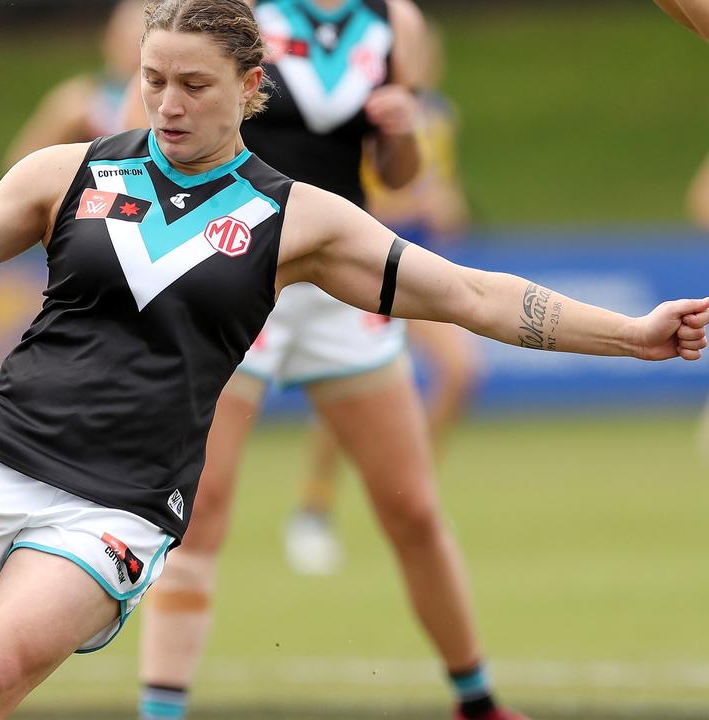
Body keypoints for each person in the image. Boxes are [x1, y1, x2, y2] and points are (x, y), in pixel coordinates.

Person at [0, 1, 708, 716]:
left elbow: (472, 295)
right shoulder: (65, 173)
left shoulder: (297, 218)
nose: (166, 104)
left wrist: (628, 335)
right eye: (151, 81)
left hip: (115, 505)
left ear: (249, 88)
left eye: (192, 85)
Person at [122, 3, 508, 720]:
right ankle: (161, 711)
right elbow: (142, 133)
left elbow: (399, 174)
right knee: (200, 515)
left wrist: (401, 132)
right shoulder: (234, 12)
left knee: (413, 508)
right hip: (235, 266)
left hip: (339, 279)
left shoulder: (396, 21)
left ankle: (477, 701)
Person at [284, 20, 480, 577]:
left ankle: (408, 492)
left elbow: (440, 185)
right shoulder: (359, 102)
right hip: (369, 257)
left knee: (460, 371)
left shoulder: (438, 116)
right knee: (347, 387)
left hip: (421, 256)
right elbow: (359, 193)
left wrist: (447, 207)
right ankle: (313, 509)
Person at [4, 0, 146, 166]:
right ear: (107, 40)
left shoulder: (169, 104)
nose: (137, 54)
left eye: (143, 43)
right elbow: (20, 165)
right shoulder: (82, 101)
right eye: (129, 42)